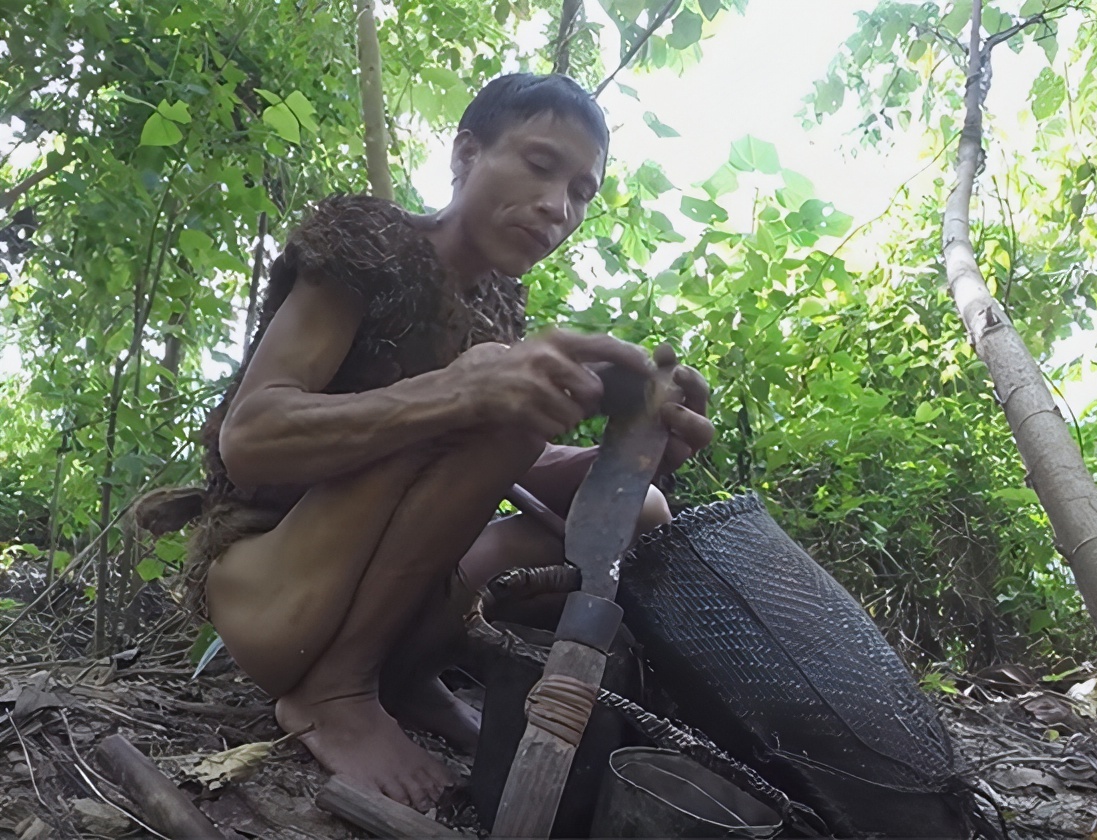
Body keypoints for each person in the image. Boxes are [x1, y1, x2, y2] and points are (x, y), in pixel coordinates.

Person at [186, 73, 714, 812]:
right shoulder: (369, 245)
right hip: (273, 587)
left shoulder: (497, 304)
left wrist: (630, 456)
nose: (557, 207)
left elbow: (497, 464)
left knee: (648, 508)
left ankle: (404, 678)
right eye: (539, 165)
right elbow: (252, 438)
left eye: (582, 192)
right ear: (466, 153)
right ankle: (336, 691)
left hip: (376, 593)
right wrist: (464, 390)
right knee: (500, 389)